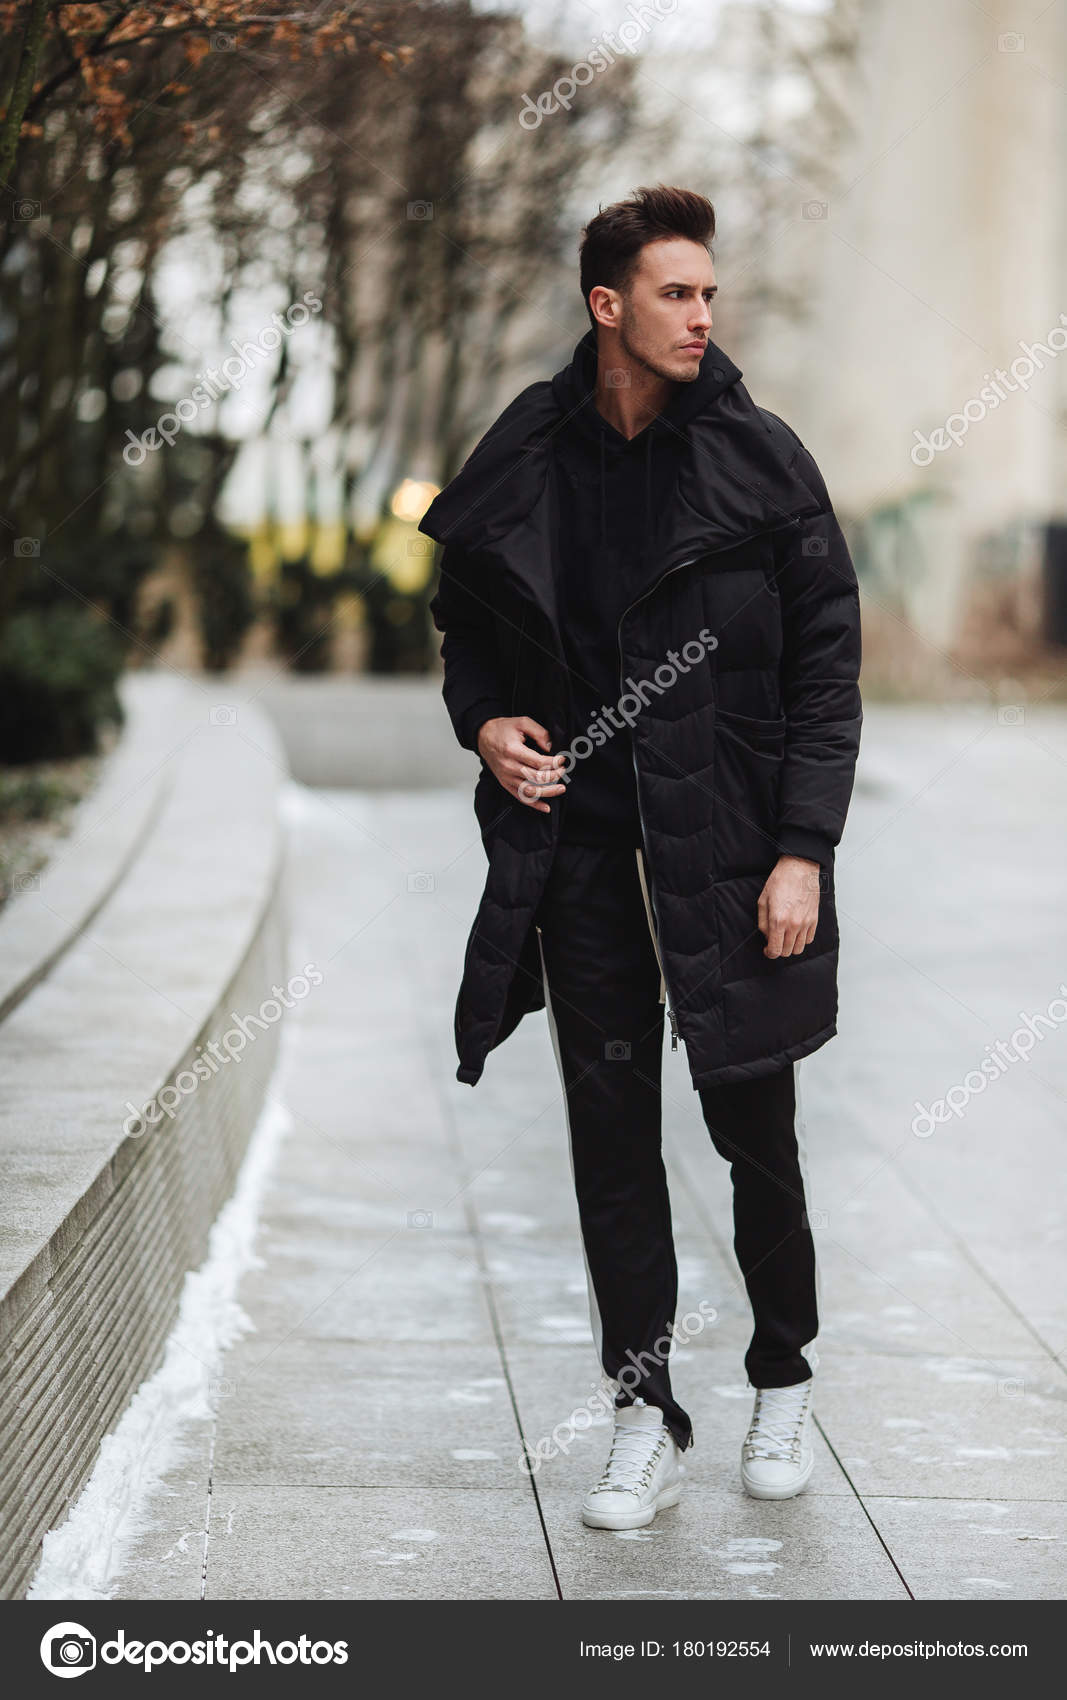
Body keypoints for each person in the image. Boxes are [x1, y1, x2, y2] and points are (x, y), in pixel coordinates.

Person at [420, 184, 862, 1530]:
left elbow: (829, 674)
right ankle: (642, 1410)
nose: (703, 314)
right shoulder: (529, 453)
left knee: (753, 1129)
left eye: (710, 292)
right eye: (677, 292)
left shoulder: (760, 458)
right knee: (610, 1143)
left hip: (728, 856)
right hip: (585, 857)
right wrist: (485, 723)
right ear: (606, 304)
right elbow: (470, 634)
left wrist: (803, 851)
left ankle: (783, 1372)